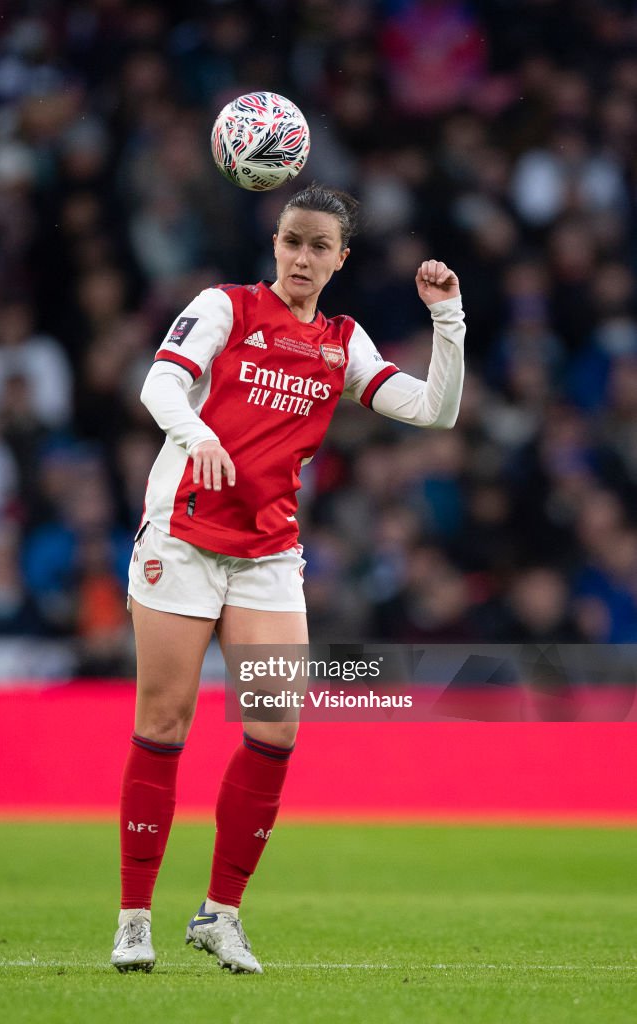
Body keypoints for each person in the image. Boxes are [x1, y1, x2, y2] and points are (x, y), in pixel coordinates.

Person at [111, 184, 465, 974]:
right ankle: (134, 918)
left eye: (318, 247)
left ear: (341, 259)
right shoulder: (225, 307)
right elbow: (159, 385)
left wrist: (448, 317)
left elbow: (434, 410)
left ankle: (219, 915)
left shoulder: (343, 342)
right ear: (275, 242)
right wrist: (198, 432)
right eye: (292, 241)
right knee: (164, 723)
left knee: (275, 731)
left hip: (268, 555)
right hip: (186, 537)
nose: (302, 258)